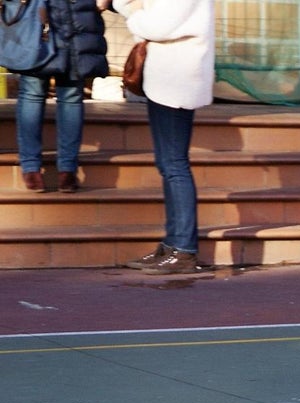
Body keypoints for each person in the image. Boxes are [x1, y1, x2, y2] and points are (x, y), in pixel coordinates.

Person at [116, 0, 215, 275]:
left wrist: (136, 14)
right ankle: (173, 245)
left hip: (177, 78)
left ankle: (183, 250)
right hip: (165, 77)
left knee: (174, 165)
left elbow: (157, 26)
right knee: (167, 164)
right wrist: (133, 9)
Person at [16, 0, 110, 193]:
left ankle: (32, 169)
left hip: (38, 14)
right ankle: (66, 170)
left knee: (35, 94)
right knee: (70, 96)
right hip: (73, 15)